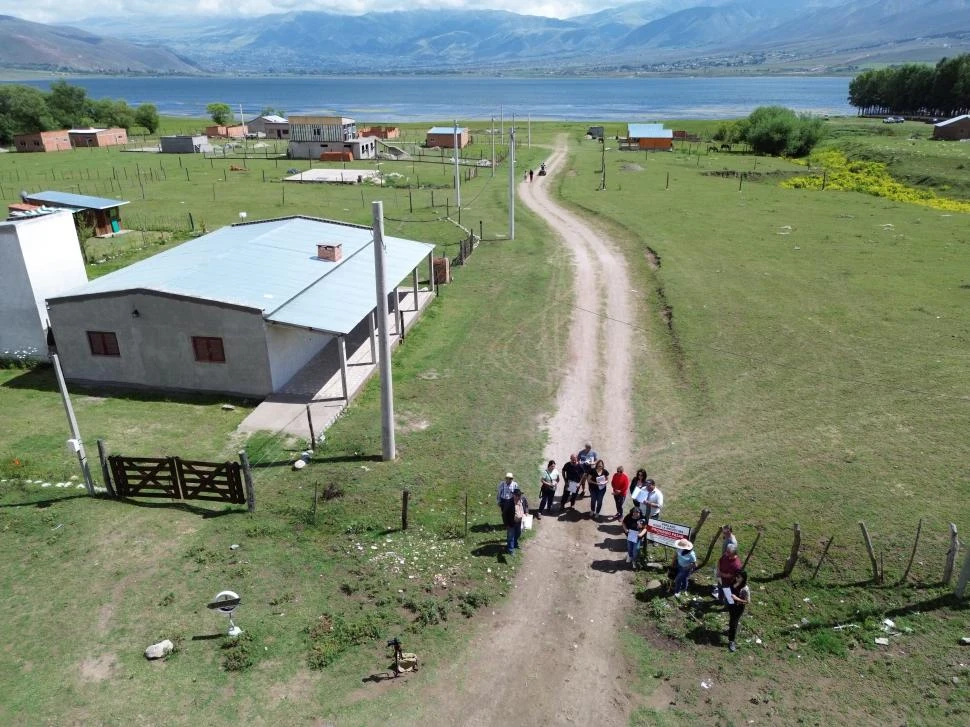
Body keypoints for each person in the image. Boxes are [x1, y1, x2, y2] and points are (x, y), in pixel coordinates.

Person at [725, 570, 751, 652]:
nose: (737, 578)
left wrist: (737, 598)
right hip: (731, 605)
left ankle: (731, 641)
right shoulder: (733, 583)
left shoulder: (745, 589)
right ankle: (732, 630)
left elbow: (748, 601)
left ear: (743, 578)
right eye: (736, 576)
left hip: (738, 608)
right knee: (732, 621)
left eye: (739, 577)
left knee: (733, 623)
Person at [502, 488, 526, 555]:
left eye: (519, 495)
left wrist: (526, 512)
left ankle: (515, 544)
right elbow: (504, 514)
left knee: (518, 533)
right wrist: (506, 524)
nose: (518, 497)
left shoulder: (522, 500)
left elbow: (526, 506)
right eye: (516, 495)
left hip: (519, 522)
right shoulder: (509, 502)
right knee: (511, 536)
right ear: (513, 495)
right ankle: (510, 549)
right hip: (511, 523)